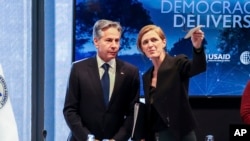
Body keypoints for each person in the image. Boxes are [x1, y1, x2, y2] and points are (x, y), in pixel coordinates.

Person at [63, 19, 140, 141]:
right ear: (96, 42)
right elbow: (70, 110)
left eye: (117, 40)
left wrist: (117, 139)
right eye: (109, 40)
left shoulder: (131, 72)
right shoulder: (78, 69)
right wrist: (89, 138)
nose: (114, 45)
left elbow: (133, 113)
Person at [136, 25, 207, 141]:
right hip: (160, 134)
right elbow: (151, 111)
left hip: (182, 133)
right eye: (145, 42)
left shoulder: (177, 63)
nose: (150, 45)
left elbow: (198, 67)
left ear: (163, 42)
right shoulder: (146, 76)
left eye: (154, 40)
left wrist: (198, 47)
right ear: (142, 49)